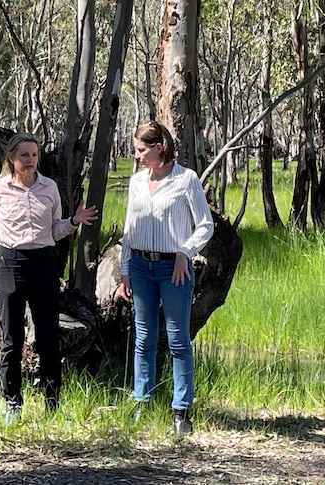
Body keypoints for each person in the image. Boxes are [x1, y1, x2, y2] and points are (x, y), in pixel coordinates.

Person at [0, 133, 99, 424]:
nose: (30, 161)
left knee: (49, 337)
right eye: (24, 155)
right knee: (12, 339)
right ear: (12, 159)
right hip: (8, 264)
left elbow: (53, 230)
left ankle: (53, 404)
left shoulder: (49, 188)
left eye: (34, 155)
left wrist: (74, 222)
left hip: (43, 264)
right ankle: (12, 404)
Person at [116, 121, 214, 435]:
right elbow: (129, 229)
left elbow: (205, 225)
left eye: (142, 150)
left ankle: (181, 411)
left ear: (160, 147)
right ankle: (142, 403)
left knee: (177, 340)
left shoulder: (186, 180)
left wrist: (186, 252)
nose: (137, 156)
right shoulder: (135, 182)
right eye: (136, 150)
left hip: (175, 269)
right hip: (142, 268)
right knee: (144, 339)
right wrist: (125, 271)